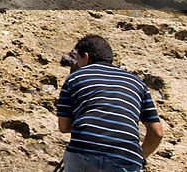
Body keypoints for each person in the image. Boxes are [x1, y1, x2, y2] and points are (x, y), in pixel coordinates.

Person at [57, 35, 164, 171]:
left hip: (84, 153)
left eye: (78, 59)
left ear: (86, 57)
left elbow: (64, 126)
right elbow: (157, 133)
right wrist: (140, 156)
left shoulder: (76, 78)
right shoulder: (137, 83)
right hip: (125, 158)